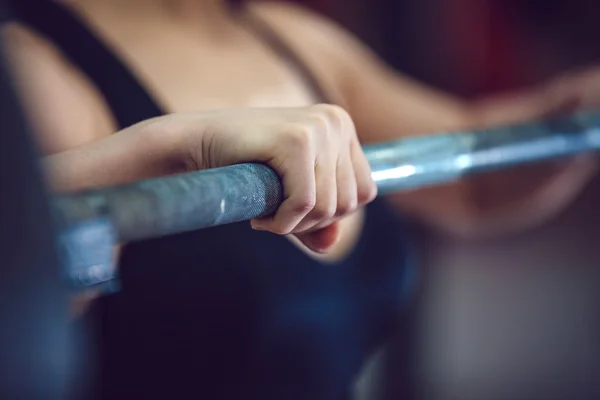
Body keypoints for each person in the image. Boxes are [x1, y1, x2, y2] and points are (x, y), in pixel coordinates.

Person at [1, 0, 599, 398]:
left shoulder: (287, 37)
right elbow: (26, 289)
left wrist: (573, 114)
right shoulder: (33, 61)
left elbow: (472, 183)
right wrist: (181, 147)